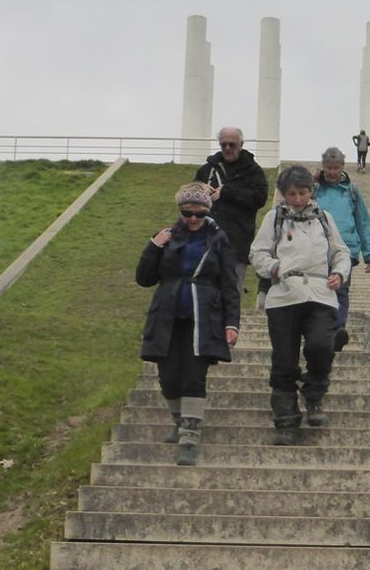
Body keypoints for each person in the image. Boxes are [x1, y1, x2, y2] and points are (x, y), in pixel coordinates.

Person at [135, 182, 240, 466]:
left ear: (207, 212)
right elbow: (144, 278)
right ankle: (180, 422)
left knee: (194, 375)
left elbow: (230, 284)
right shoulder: (166, 236)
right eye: (187, 213)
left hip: (203, 317)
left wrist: (232, 323)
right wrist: (153, 246)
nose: (192, 218)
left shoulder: (218, 240)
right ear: (180, 211)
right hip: (167, 314)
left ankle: (190, 436)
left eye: (198, 213)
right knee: (168, 377)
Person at [250, 164, 352, 445]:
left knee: (321, 345)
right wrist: (275, 268)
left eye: (302, 193)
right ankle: (285, 419)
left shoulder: (324, 218)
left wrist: (339, 273)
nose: (297, 199)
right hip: (284, 297)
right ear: (283, 194)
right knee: (284, 360)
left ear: (311, 191)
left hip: (320, 294)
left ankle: (314, 392)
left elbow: (341, 251)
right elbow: (257, 253)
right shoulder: (275, 218)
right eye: (291, 194)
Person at [313, 146, 370, 351]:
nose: (332, 172)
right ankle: (323, 330)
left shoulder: (352, 191)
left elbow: (363, 221)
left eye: (336, 167)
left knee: (341, 289)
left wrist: (369, 253)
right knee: (321, 290)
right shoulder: (315, 189)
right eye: (328, 167)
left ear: (342, 167)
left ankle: (338, 329)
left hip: (346, 248)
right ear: (323, 167)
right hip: (318, 247)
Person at [195, 127, 269, 293]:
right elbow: (188, 198)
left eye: (232, 144)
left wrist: (227, 192)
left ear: (241, 144)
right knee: (203, 293)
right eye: (224, 145)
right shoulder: (207, 170)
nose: (227, 148)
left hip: (236, 245)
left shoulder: (253, 170)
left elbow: (260, 198)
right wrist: (199, 189)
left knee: (231, 297)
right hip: (205, 243)